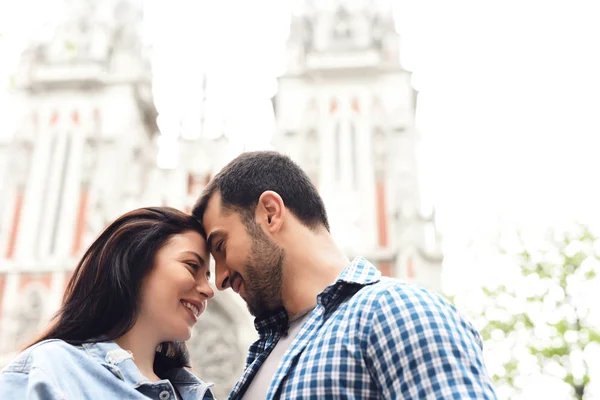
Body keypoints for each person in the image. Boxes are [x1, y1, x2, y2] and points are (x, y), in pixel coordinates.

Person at [193, 151, 498, 400]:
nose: (218, 279)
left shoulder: (395, 310)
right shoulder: (262, 358)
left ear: (270, 212)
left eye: (221, 246)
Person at [0, 207, 216, 400]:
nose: (208, 290)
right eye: (191, 266)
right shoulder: (50, 370)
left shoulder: (194, 393)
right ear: (135, 264)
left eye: (207, 276)